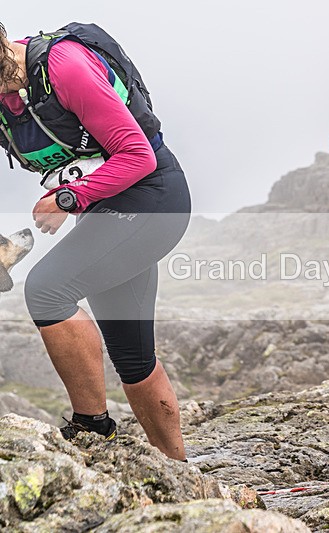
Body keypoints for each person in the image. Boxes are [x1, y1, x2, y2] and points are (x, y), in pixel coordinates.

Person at [0, 22, 190, 461]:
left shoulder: (65, 67)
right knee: (133, 356)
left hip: (152, 199)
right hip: (106, 213)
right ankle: (180, 470)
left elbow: (138, 156)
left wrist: (69, 198)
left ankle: (91, 426)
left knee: (47, 290)